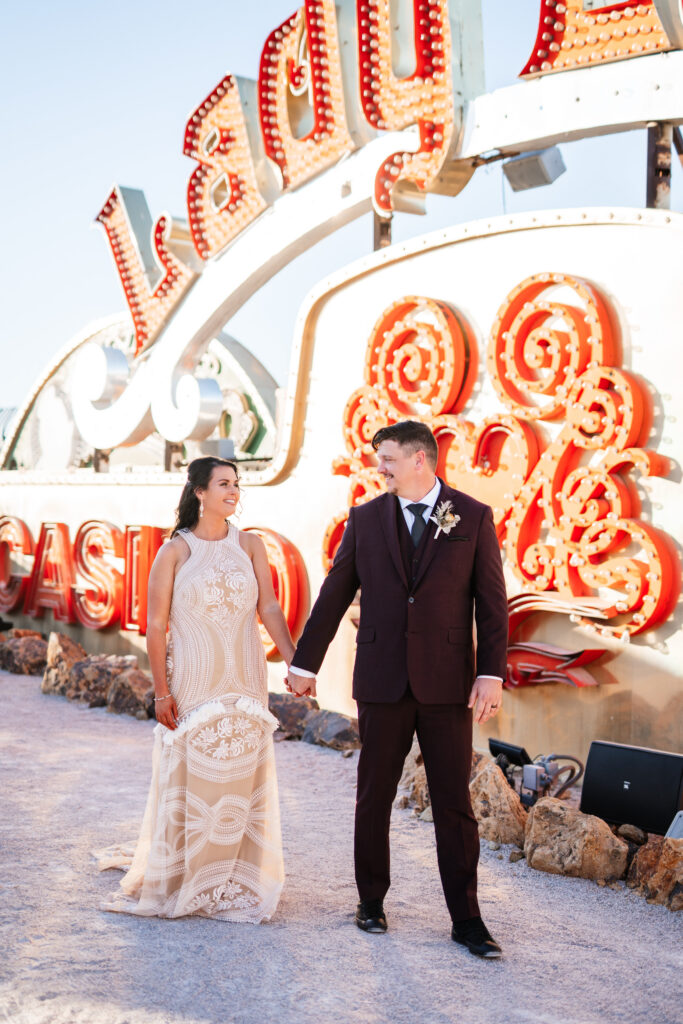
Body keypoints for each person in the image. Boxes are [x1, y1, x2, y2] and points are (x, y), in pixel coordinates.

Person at [287, 421, 508, 957]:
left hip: (447, 682)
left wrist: (491, 672)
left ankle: (468, 919)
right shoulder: (364, 520)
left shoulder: (472, 516)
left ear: (419, 459)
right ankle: (371, 902)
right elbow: (334, 593)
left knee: (454, 803)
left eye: (387, 458)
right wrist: (304, 662)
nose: (379, 467)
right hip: (383, 680)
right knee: (373, 795)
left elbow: (492, 601)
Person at [101, 456, 294, 921]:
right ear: (199, 492)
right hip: (193, 675)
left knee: (241, 767)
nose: (234, 492)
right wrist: (161, 692)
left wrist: (296, 661)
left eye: (237, 484)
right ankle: (187, 873)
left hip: (245, 673)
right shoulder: (175, 552)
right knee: (194, 770)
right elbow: (155, 626)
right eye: (224, 484)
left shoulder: (250, 545)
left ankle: (236, 874)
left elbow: (268, 607)